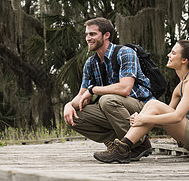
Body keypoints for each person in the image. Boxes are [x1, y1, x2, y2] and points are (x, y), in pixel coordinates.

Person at [93, 40, 189, 163]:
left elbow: (177, 117)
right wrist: (141, 117)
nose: (169, 55)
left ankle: (122, 148)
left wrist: (144, 119)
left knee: (154, 104)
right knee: (151, 105)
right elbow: (164, 119)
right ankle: (123, 147)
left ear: (184, 60)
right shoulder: (180, 86)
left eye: (173, 53)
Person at [63, 17, 154, 161]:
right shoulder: (90, 63)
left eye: (92, 34)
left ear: (106, 35)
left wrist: (93, 90)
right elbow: (81, 94)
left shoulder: (125, 53)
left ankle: (137, 143)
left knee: (106, 100)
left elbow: (125, 88)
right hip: (114, 108)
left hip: (142, 107)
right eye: (86, 34)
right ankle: (119, 144)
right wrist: (68, 105)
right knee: (75, 116)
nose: (88, 38)